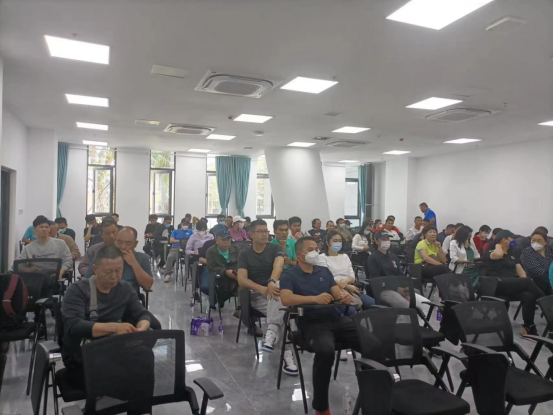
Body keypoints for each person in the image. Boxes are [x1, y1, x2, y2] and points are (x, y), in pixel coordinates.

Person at [280, 236, 359, 415]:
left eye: (316, 249)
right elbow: (286, 298)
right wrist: (314, 299)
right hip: (312, 323)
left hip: (335, 318)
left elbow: (336, 293)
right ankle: (321, 407)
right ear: (299, 254)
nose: (315, 252)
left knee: (370, 342)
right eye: (310, 250)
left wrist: (344, 297)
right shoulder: (289, 275)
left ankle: (374, 395)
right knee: (325, 351)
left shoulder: (324, 271)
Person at [62, 246, 151, 388]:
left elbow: (143, 314)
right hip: (82, 354)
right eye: (108, 272)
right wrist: (115, 327)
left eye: (118, 271)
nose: (114, 276)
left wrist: (140, 330)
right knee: (125, 373)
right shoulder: (77, 290)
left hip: (115, 348)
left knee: (145, 356)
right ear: (95, 270)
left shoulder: (125, 288)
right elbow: (74, 325)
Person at [237, 219, 298, 375]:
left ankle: (271, 332)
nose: (265, 234)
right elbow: (242, 280)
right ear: (251, 235)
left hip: (274, 290)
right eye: (260, 231)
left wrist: (271, 282)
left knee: (279, 299)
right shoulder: (245, 254)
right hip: (256, 295)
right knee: (285, 314)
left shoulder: (274, 248)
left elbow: (279, 265)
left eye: (266, 231)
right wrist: (262, 288)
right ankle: (287, 355)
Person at [482, 230, 544, 335]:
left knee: (528, 295)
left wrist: (525, 281)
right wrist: (498, 245)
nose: (514, 242)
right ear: (504, 240)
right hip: (495, 285)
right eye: (512, 240)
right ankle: (548, 304)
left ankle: (528, 327)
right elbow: (497, 255)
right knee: (528, 282)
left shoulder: (512, 252)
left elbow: (519, 269)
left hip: (509, 285)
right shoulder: (492, 249)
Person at [366, 231, 430, 320]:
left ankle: (419, 326)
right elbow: (376, 279)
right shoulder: (372, 258)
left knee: (426, 304)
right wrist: (396, 288)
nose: (386, 241)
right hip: (383, 290)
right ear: (377, 241)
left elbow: (400, 274)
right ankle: (406, 326)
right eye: (383, 239)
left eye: (387, 238)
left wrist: (405, 286)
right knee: (407, 307)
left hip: (398, 288)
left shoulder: (393, 257)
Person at [317, 230, 375, 312]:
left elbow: (352, 276)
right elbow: (327, 277)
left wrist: (346, 283)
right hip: (334, 289)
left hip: (350, 287)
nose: (338, 243)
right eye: (335, 241)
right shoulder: (322, 258)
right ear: (327, 243)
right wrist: (347, 286)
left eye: (340, 241)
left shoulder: (344, 256)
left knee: (371, 302)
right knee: (351, 310)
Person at [85, 227, 154, 294]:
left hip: (129, 298)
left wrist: (134, 263)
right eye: (119, 242)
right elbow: (86, 281)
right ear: (115, 241)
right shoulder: (103, 255)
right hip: (102, 296)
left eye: (128, 243)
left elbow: (147, 286)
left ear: (135, 244)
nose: (122, 247)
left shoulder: (142, 258)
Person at [206, 229, 240, 309]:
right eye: (223, 240)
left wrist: (238, 273)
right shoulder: (211, 251)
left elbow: (241, 263)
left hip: (236, 277)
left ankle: (241, 309)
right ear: (217, 240)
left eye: (228, 239)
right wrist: (225, 272)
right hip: (220, 278)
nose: (226, 242)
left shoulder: (236, 249)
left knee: (245, 286)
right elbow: (211, 268)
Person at [521, 229, 553, 295]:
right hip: (538, 281)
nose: (536, 243)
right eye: (533, 240)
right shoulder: (527, 252)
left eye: (539, 240)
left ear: (545, 242)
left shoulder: (548, 250)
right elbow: (538, 271)